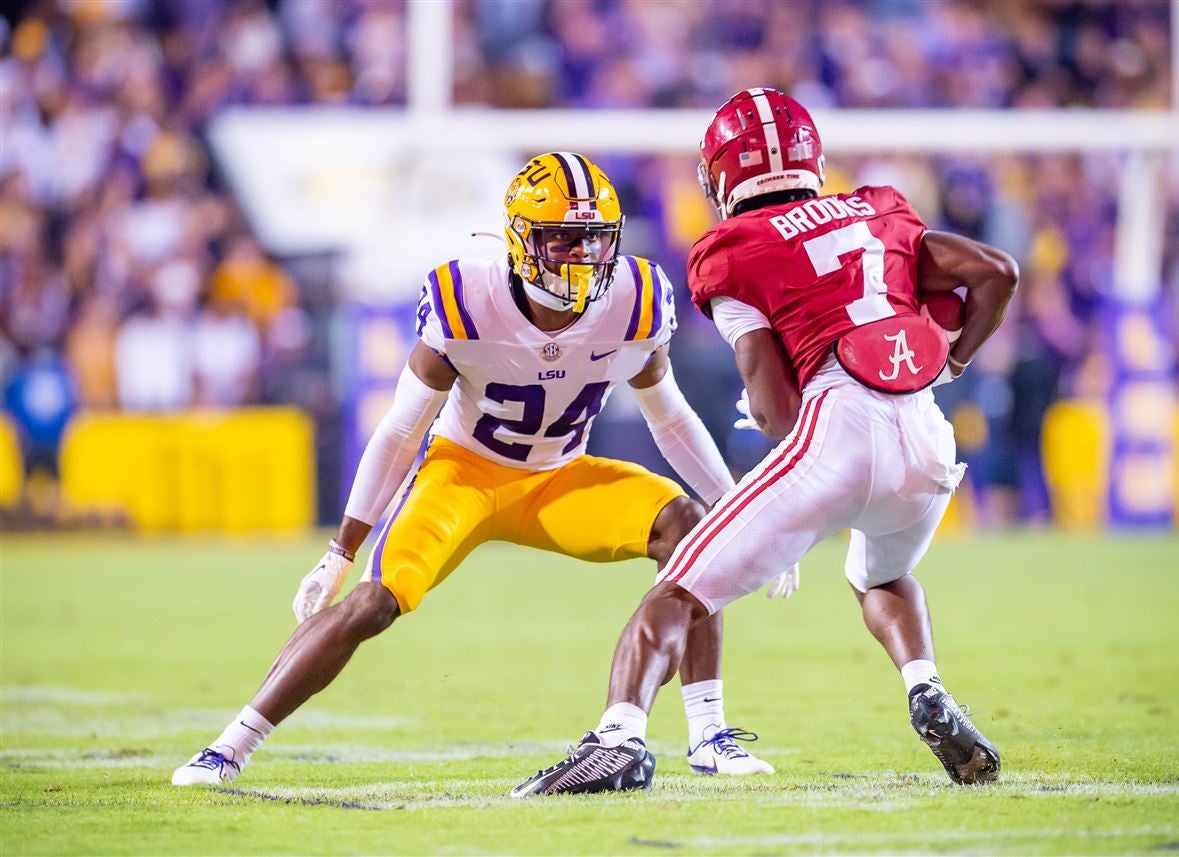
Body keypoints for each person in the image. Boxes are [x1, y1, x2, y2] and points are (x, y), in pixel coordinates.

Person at [172, 152, 785, 786]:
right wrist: (340, 549)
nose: (583, 256)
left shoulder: (635, 298)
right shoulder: (467, 299)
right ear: (523, 240)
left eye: (595, 239)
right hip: (463, 473)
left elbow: (673, 420)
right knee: (374, 603)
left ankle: (710, 736)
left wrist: (738, 516)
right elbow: (400, 430)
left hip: (558, 478)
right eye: (563, 239)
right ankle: (230, 746)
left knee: (691, 530)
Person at [513, 89, 1018, 797]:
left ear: (722, 173)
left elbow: (781, 408)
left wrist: (774, 428)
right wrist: (954, 359)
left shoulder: (731, 249)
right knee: (878, 575)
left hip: (839, 426)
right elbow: (998, 273)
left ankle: (618, 737)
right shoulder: (882, 207)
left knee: (678, 587)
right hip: (926, 435)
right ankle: (926, 686)